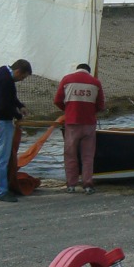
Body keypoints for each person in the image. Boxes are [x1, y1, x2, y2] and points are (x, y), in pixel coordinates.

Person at [54, 63, 106, 194]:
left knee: (70, 154)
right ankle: (88, 184)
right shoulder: (95, 82)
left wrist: (68, 110)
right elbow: (100, 105)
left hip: (72, 123)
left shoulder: (67, 79)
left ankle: (71, 184)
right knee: (88, 156)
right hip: (89, 123)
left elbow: (57, 100)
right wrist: (91, 111)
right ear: (88, 71)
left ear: (77, 69)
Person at [0, 59, 32, 203]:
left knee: (3, 156)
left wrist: (19, 105)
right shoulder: (6, 80)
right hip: (1, 123)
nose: (21, 80)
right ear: (18, 71)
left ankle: (3, 186)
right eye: (23, 77)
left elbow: (10, 97)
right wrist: (18, 116)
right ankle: (1, 191)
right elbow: (5, 105)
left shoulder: (3, 71)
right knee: (2, 158)